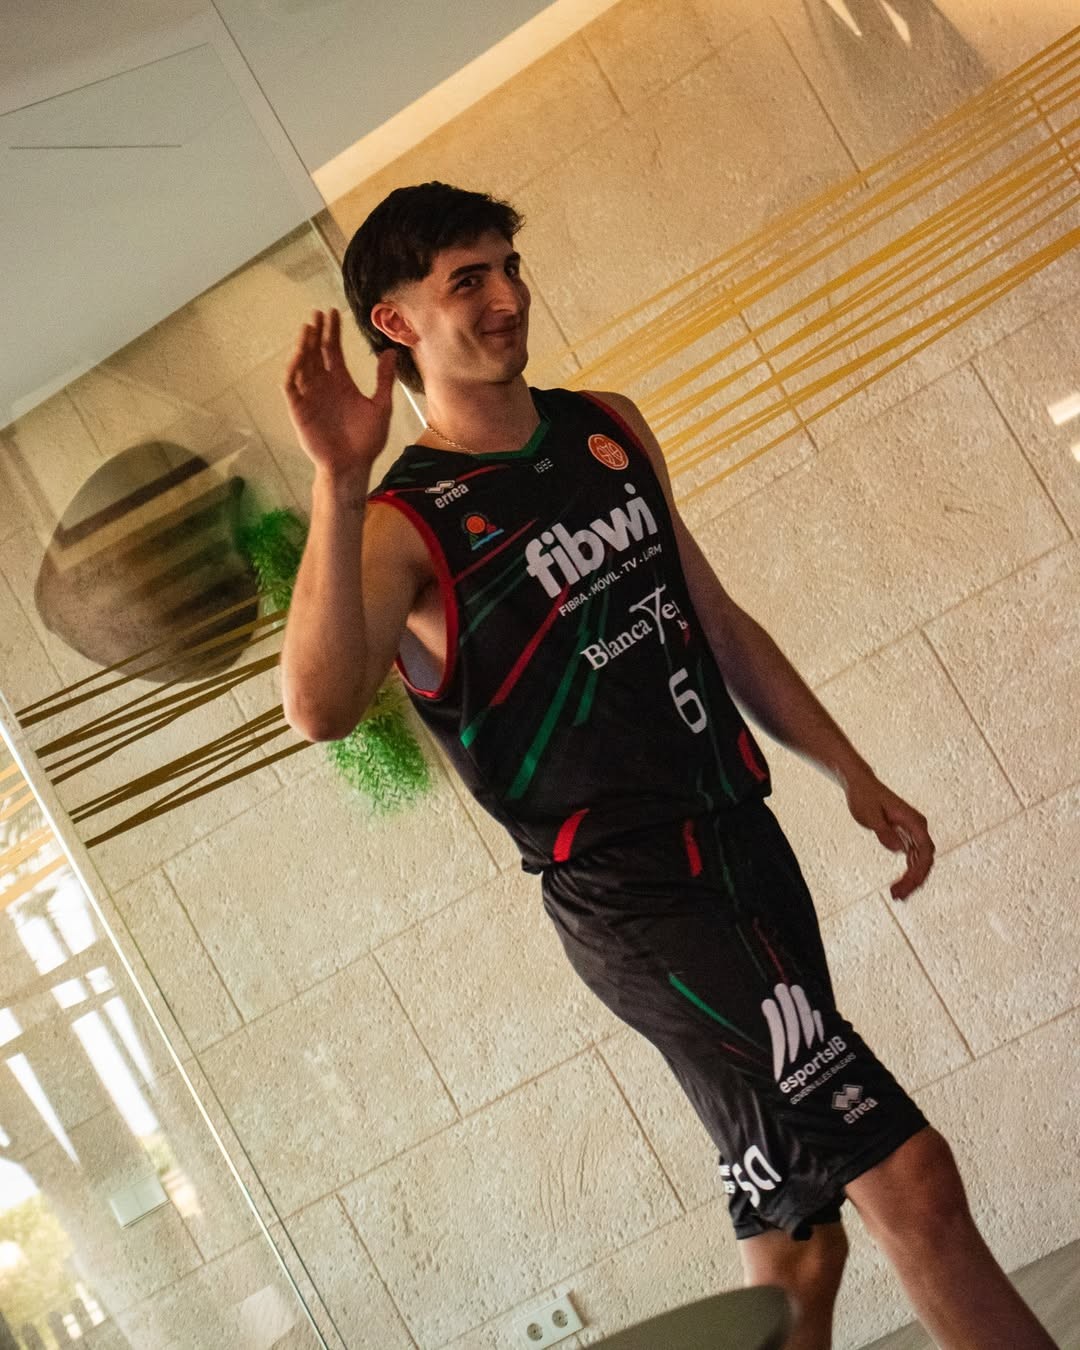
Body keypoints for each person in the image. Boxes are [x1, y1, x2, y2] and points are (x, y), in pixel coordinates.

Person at [279, 182, 1055, 1350]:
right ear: (396, 323)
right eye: (467, 281)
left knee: (798, 1243)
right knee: (912, 1180)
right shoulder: (404, 524)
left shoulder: (608, 425)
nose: (507, 297)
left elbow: (717, 619)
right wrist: (339, 485)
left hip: (739, 840)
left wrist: (847, 767)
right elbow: (321, 708)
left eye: (508, 266)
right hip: (634, 895)